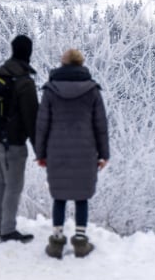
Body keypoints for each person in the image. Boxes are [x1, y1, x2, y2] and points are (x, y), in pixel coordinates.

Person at [34, 48, 110, 259]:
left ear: (63, 64)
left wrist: (40, 153)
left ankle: (57, 242)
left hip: (56, 151)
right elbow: (100, 125)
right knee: (81, 196)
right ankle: (80, 242)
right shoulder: (92, 90)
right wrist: (104, 154)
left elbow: (42, 125)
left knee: (59, 196)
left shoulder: (51, 90)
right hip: (85, 151)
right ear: (81, 64)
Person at [0, 35, 39, 243]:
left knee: (1, 182)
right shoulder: (24, 82)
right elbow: (32, 119)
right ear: (29, 53)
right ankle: (7, 231)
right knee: (13, 186)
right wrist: (40, 150)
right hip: (11, 143)